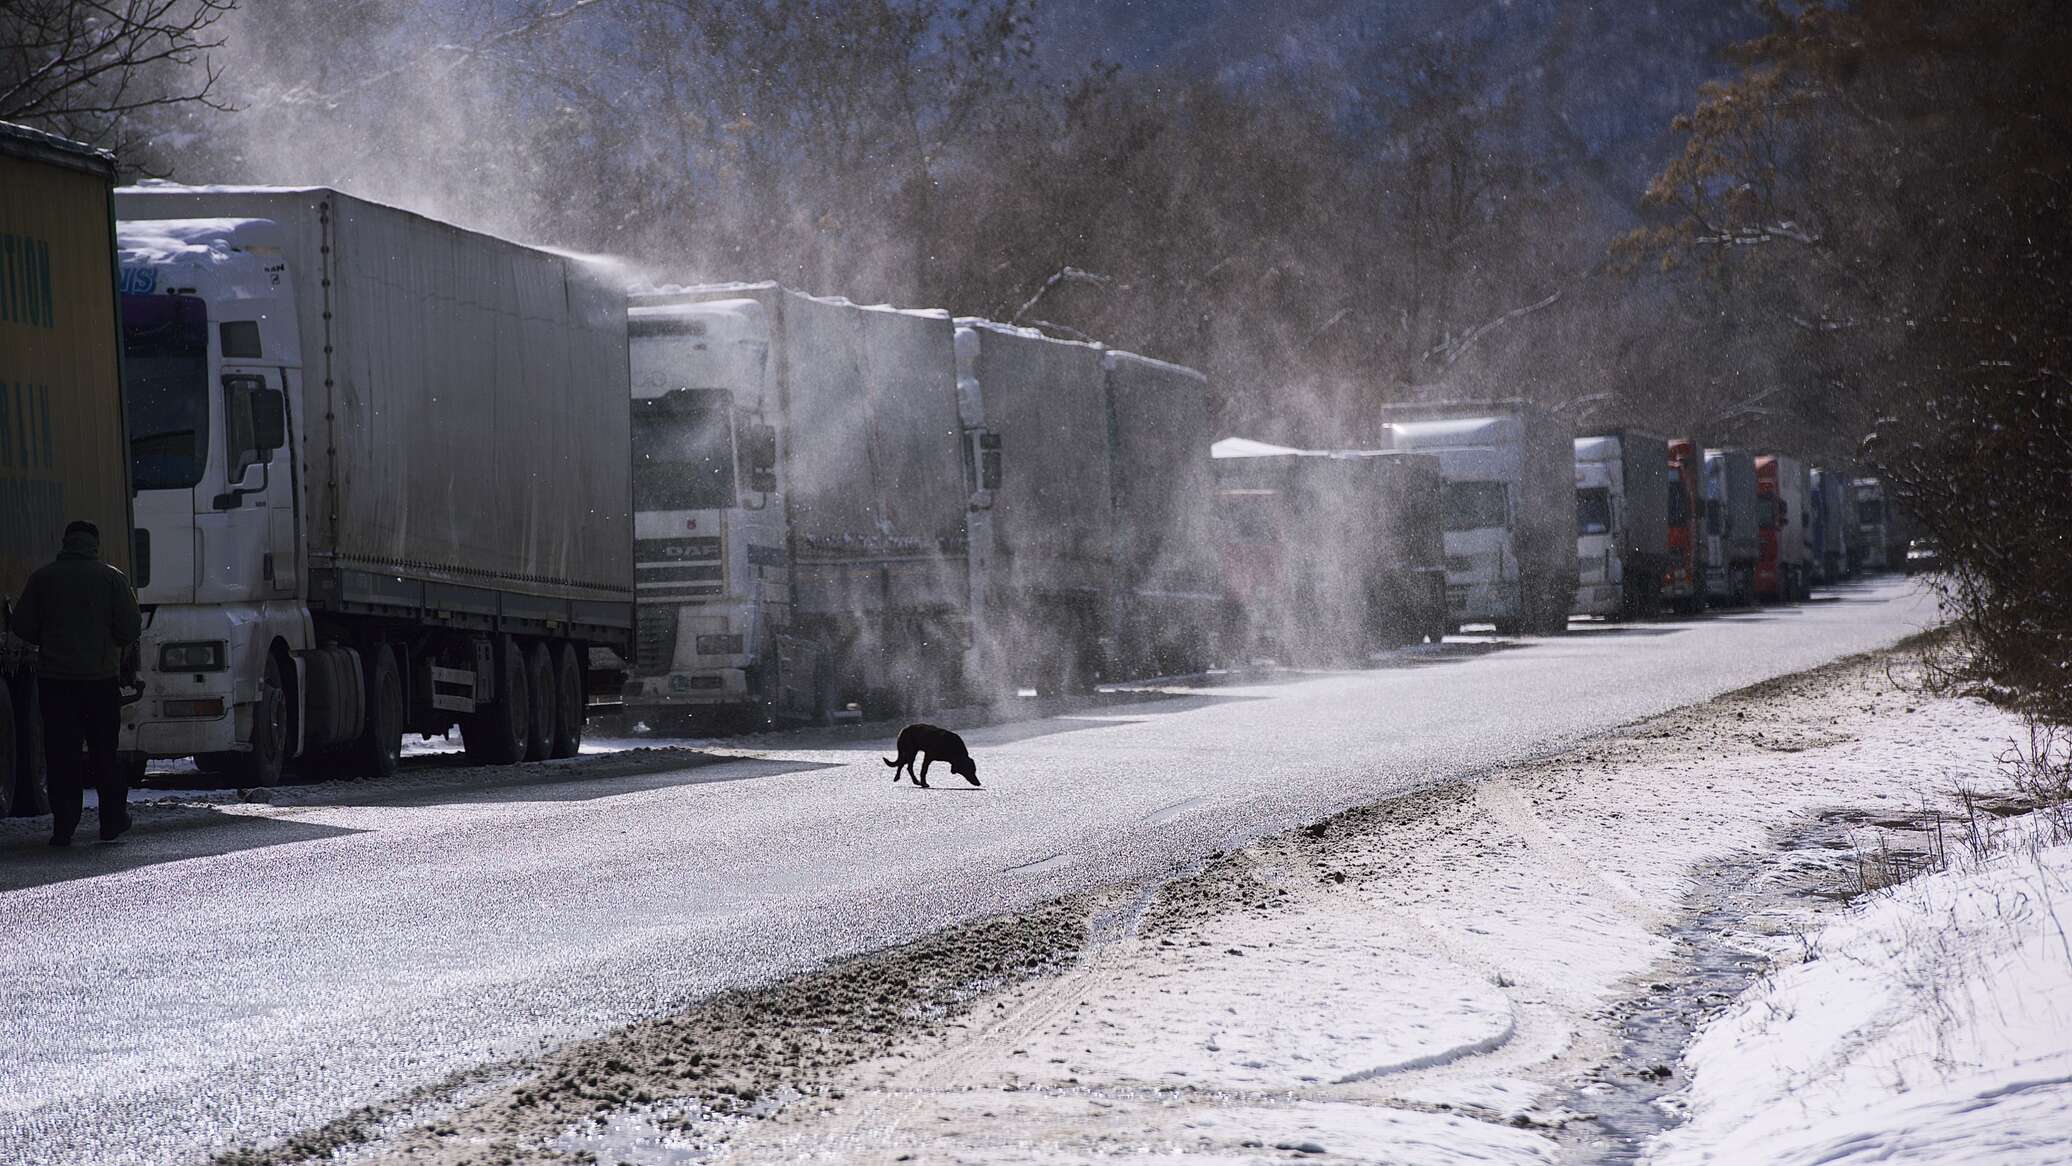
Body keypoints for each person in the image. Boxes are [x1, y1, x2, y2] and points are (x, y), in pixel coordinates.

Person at [7, 520, 143, 845]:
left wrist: (51, 636)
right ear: (94, 544)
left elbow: (22, 626)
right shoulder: (112, 578)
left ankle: (64, 826)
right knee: (104, 754)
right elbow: (130, 628)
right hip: (100, 682)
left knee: (61, 755)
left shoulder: (43, 578)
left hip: (56, 683)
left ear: (65, 542)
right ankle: (111, 820)